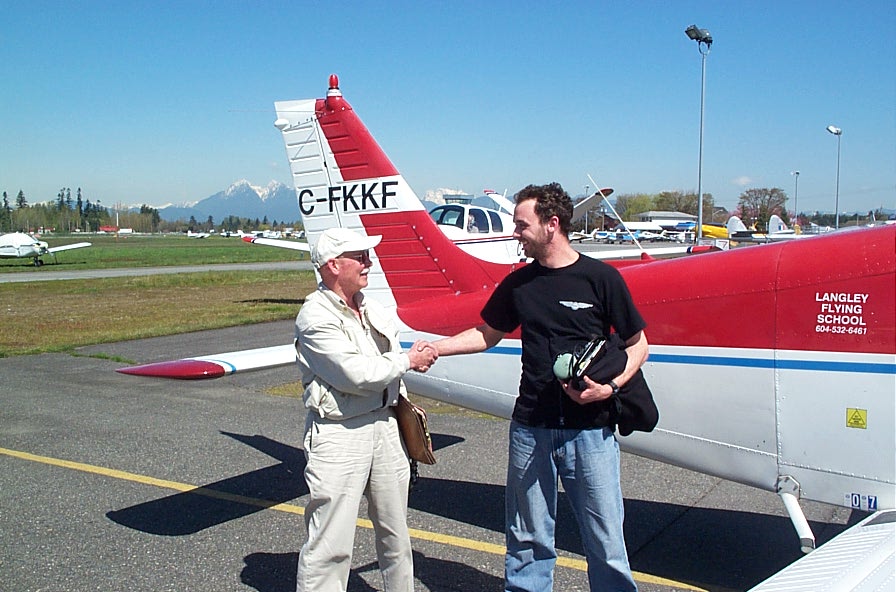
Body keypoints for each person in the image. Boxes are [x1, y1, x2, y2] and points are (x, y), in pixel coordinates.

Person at [433, 183, 646, 592]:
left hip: (591, 431)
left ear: (552, 225)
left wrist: (611, 387)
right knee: (528, 540)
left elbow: (639, 344)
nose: (516, 232)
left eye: (521, 225)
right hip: (531, 429)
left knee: (606, 542)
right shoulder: (520, 284)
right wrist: (436, 348)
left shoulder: (601, 279)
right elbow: (487, 332)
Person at [294, 227, 437, 592]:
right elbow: (356, 375)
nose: (368, 262)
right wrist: (407, 360)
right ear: (332, 265)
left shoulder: (372, 308)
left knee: (396, 534)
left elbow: (385, 365)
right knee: (330, 542)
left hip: (386, 426)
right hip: (341, 434)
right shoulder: (314, 317)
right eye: (359, 256)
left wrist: (401, 372)